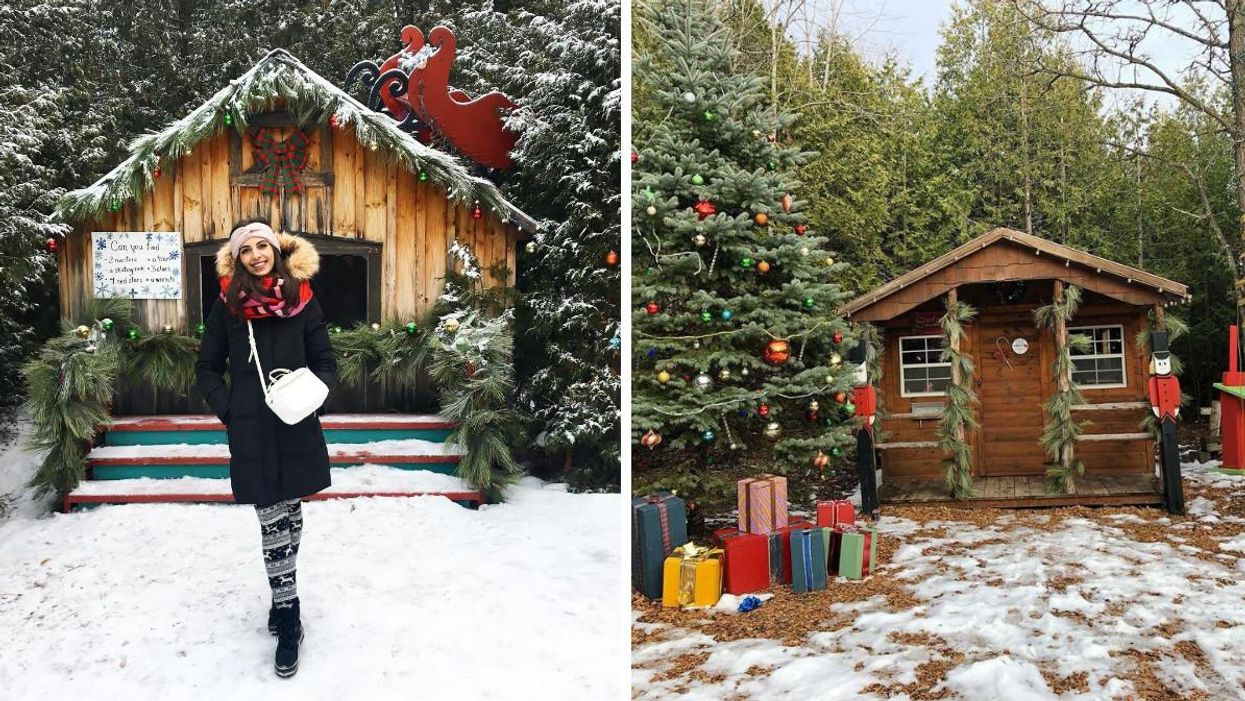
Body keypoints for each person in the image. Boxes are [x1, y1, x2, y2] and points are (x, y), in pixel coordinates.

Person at [194, 219, 337, 678]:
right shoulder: (226, 308)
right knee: (272, 521)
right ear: (236, 259)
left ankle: (282, 602)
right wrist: (231, 408)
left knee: (292, 514)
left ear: (276, 249)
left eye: (263, 245)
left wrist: (316, 396)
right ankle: (289, 616)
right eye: (246, 250)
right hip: (252, 430)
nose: (256, 254)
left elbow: (326, 361)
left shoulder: (303, 300)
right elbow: (207, 367)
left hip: (296, 424)